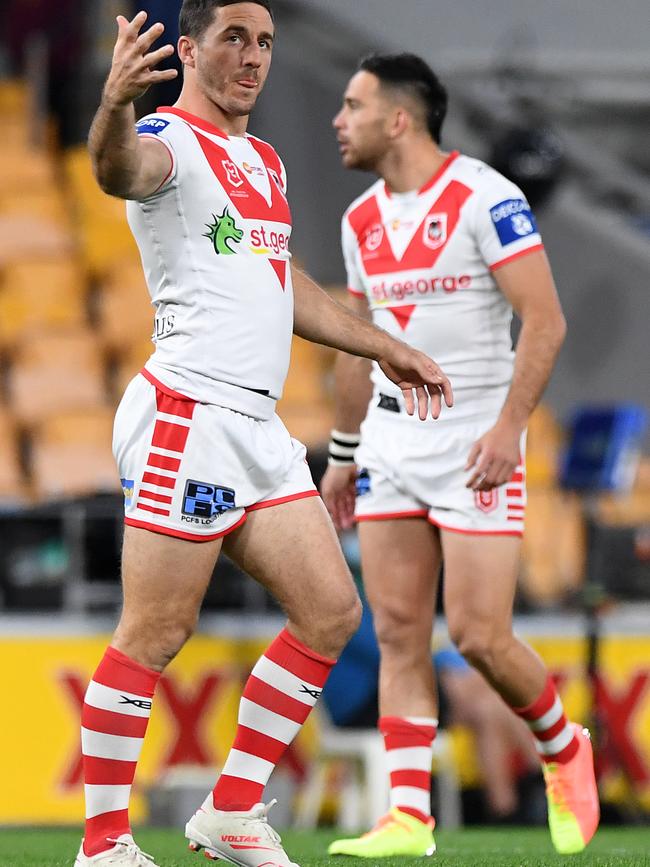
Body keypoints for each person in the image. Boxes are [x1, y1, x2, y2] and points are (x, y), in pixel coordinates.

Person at [77, 6, 452, 867]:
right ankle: (101, 847)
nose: (253, 57)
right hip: (189, 413)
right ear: (189, 49)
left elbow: (284, 284)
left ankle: (231, 812)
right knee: (156, 630)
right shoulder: (169, 137)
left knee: (329, 612)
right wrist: (112, 107)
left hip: (256, 424)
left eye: (266, 41)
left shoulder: (264, 160)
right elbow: (119, 170)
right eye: (234, 38)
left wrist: (388, 346)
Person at [321, 53, 599, 858]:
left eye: (353, 105)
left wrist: (510, 427)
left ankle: (563, 744)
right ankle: (409, 817)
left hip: (475, 443)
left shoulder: (486, 196)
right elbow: (353, 344)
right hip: (390, 442)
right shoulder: (360, 219)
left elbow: (544, 321)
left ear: (398, 119)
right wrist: (342, 449)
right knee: (401, 628)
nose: (339, 120)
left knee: (479, 635)